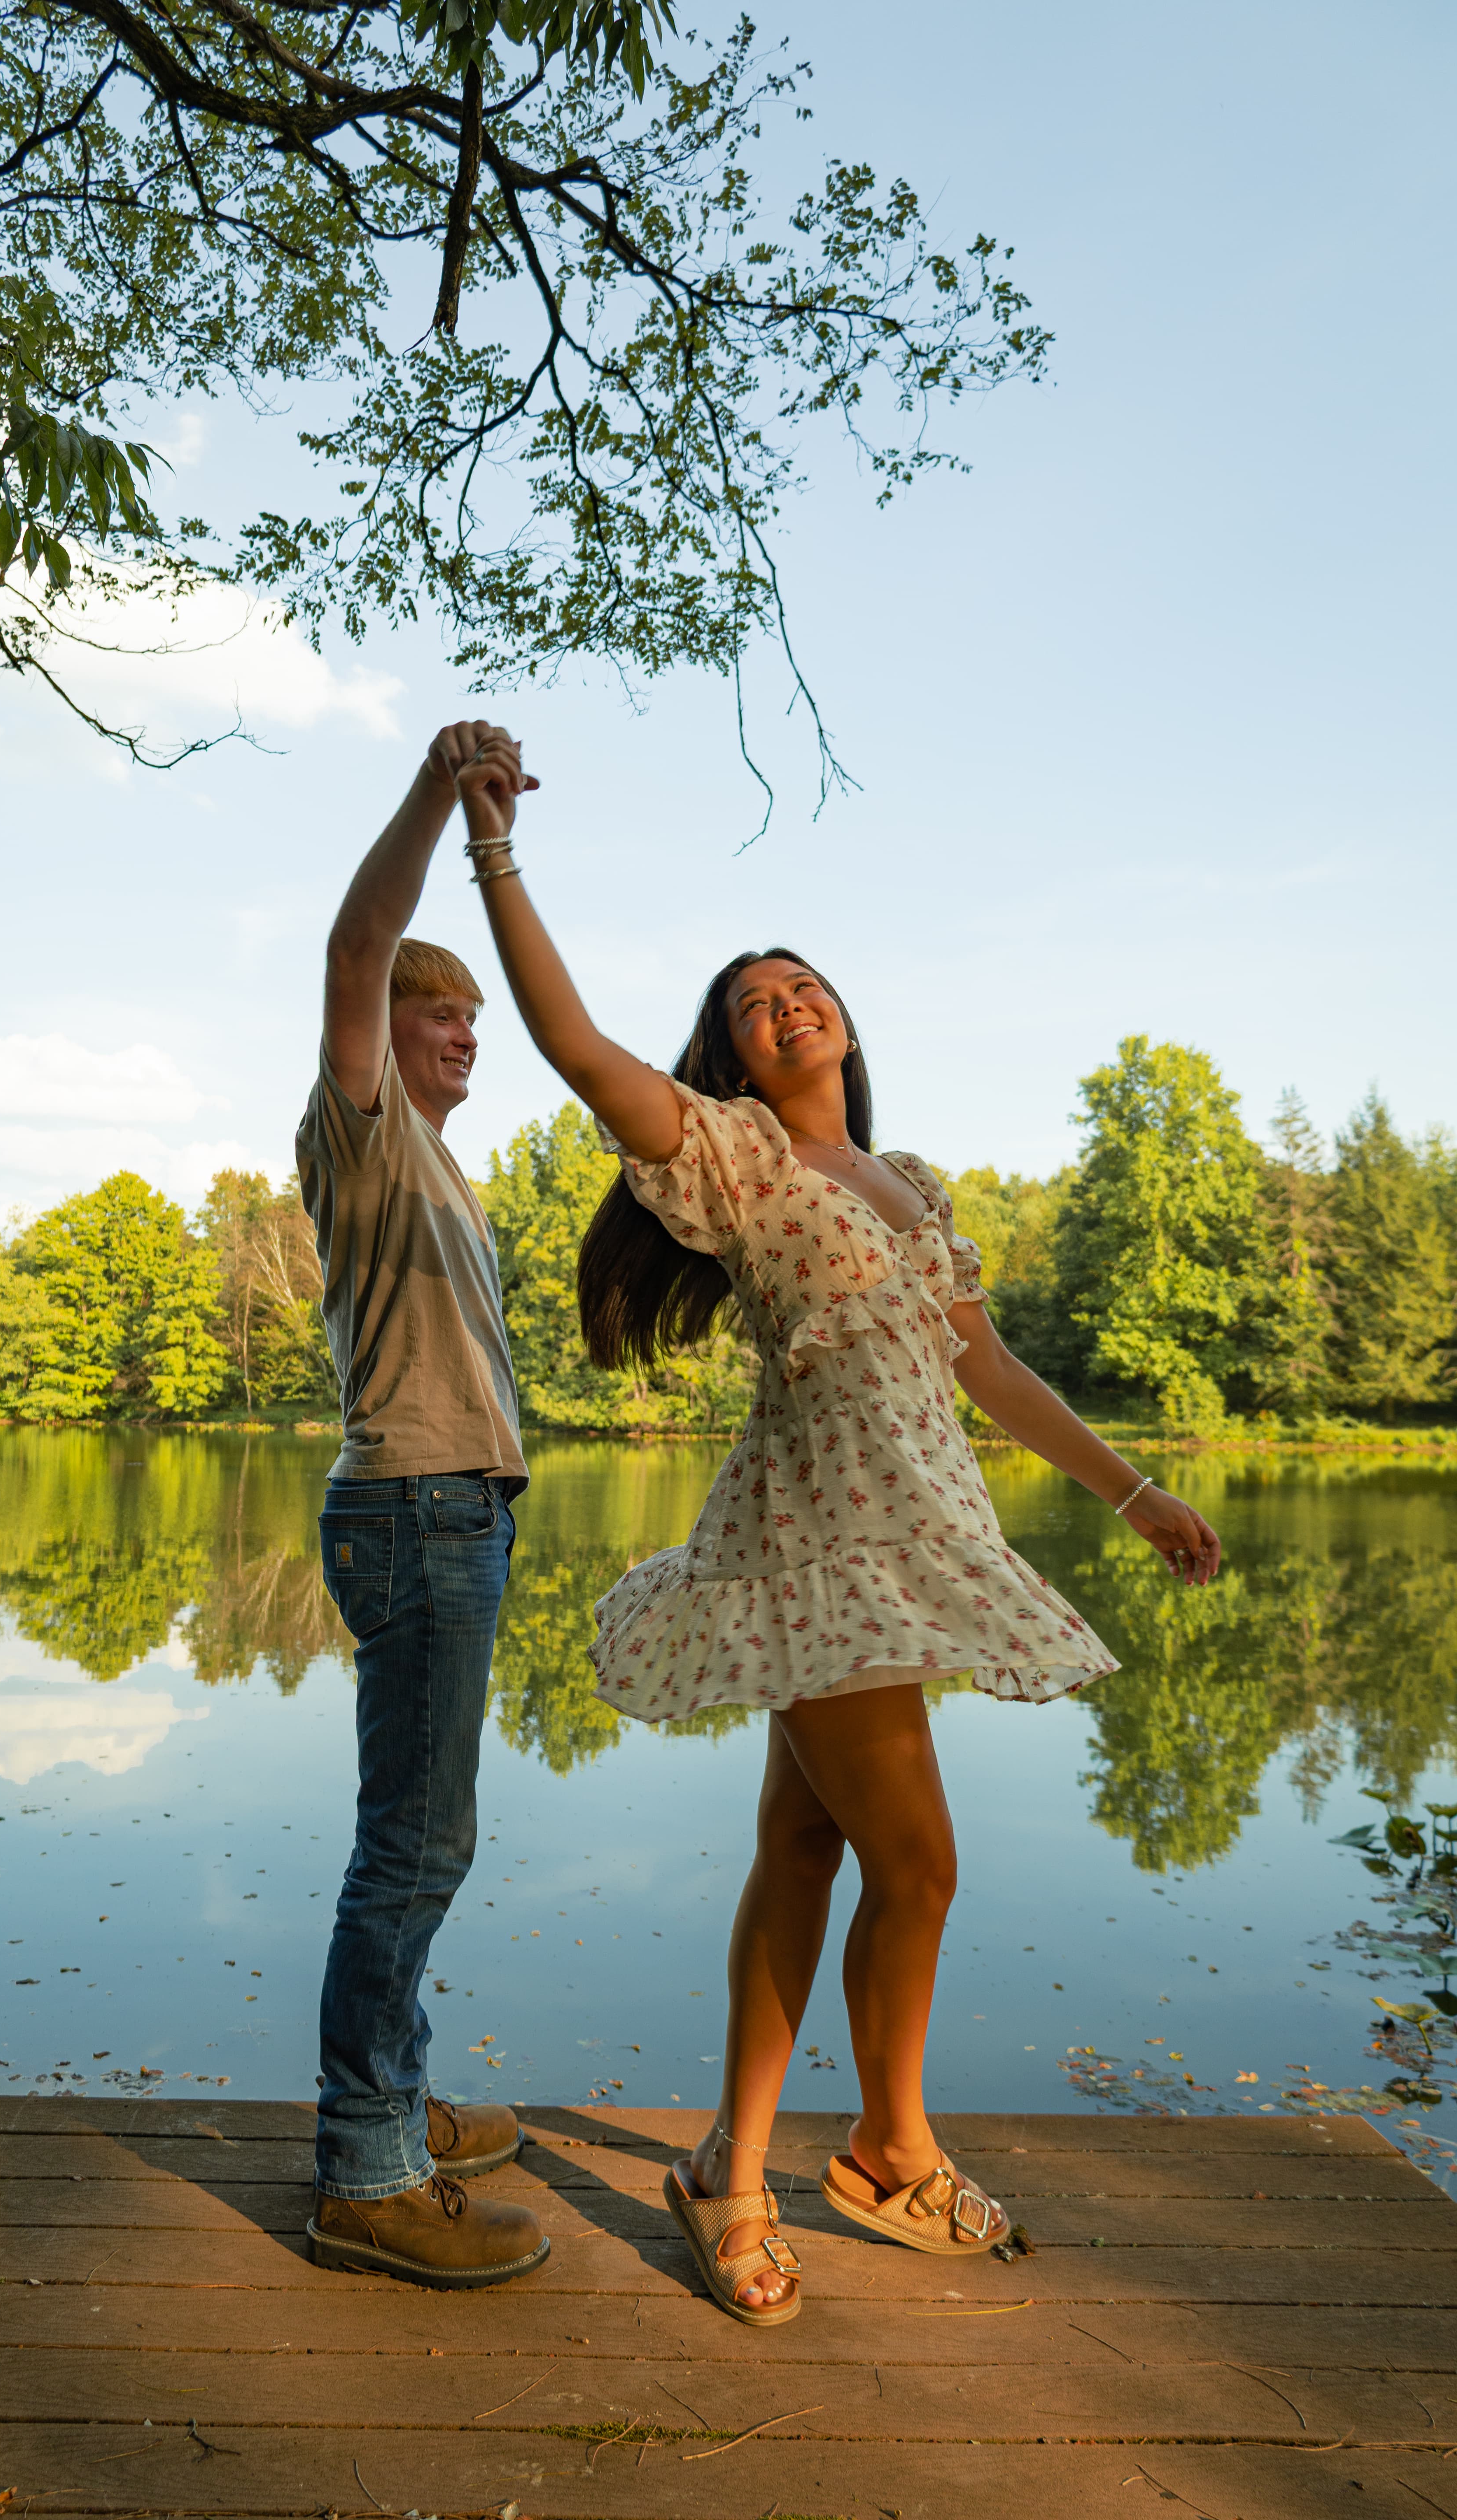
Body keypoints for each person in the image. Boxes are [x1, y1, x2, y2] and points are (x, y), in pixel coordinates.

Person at [453, 740, 1222, 2328]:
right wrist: (497, 860)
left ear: (850, 1022)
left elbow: (987, 1369)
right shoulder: (735, 1160)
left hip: (914, 1539)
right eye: (754, 998)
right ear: (732, 1054)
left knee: (807, 1851)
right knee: (921, 1863)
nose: (786, 1001)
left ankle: (726, 2171)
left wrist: (1134, 1493)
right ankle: (884, 2145)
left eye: (806, 983)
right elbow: (579, 1047)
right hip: (811, 1541)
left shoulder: (915, 1185)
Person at [295, 717, 551, 2290]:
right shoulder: (365, 1130)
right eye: (436, 1013)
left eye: (470, 1017)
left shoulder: (446, 1171)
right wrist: (440, 796)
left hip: (456, 1513)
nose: (464, 1034)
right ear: (380, 1037)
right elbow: (356, 934)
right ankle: (364, 2169)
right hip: (414, 1508)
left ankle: (397, 2099)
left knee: (427, 1835)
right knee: (414, 1844)